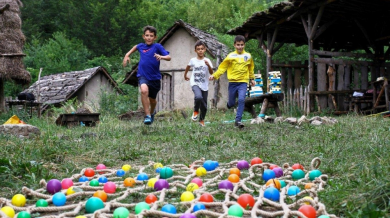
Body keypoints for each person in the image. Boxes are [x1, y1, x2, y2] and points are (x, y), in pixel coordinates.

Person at [122, 25, 171, 125]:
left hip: (155, 77)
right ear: (143, 36)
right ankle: (147, 115)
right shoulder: (141, 46)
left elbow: (169, 57)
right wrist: (127, 55)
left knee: (153, 101)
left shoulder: (157, 47)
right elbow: (134, 48)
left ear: (155, 37)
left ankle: (152, 112)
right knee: (144, 90)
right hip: (142, 75)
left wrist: (161, 57)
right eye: (147, 35)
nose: (149, 37)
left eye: (151, 36)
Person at [209, 35, 255, 128]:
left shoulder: (248, 56)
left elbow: (251, 68)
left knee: (242, 100)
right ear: (234, 45)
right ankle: (229, 104)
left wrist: (252, 78)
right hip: (233, 83)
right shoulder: (230, 56)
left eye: (242, 45)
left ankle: (238, 121)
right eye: (238, 45)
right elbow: (222, 68)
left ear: (244, 45)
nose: (240, 47)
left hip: (243, 82)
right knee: (231, 103)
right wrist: (214, 75)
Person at [184, 41, 214, 127]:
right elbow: (187, 67)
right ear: (195, 51)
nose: (200, 51)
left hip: (204, 85)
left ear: (205, 50)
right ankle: (195, 111)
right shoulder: (193, 60)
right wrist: (185, 75)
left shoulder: (207, 60)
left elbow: (212, 72)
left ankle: (201, 120)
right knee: (198, 97)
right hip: (195, 82)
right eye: (198, 49)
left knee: (204, 106)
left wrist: (208, 65)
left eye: (202, 49)